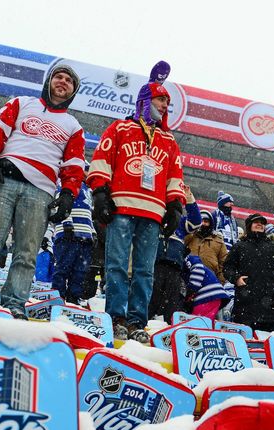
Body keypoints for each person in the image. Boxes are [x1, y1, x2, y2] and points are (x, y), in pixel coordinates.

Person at [0, 63, 85, 319]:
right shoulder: (21, 103)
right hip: (3, 180)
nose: (63, 82)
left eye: (69, 81)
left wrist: (68, 195)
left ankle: (14, 305)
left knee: (27, 254)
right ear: (49, 81)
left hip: (40, 191)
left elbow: (74, 165)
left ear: (73, 91)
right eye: (59, 77)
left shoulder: (73, 125)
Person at [87, 61, 185, 342]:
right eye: (160, 99)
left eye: (167, 101)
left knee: (145, 270)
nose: (165, 105)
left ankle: (137, 321)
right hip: (122, 207)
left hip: (153, 213)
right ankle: (116, 316)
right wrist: (101, 193)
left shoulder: (169, 141)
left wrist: (175, 206)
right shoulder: (120, 129)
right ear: (145, 100)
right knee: (116, 264)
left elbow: (174, 175)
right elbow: (102, 160)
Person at [149, 184, 201, 323]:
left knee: (171, 303)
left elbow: (196, 221)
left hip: (175, 267)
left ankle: (166, 329)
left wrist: (189, 198)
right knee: (151, 299)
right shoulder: (153, 216)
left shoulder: (180, 221)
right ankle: (144, 324)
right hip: (155, 264)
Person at [223, 213, 274, 331]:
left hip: (268, 305)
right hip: (244, 304)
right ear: (249, 225)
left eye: (262, 223)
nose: (260, 225)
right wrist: (236, 278)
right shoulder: (239, 246)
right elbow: (227, 267)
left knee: (266, 341)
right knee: (244, 340)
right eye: (256, 222)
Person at [51, 178, 94, 304]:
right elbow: (61, 204)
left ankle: (73, 297)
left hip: (85, 235)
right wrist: (66, 221)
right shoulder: (66, 183)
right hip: (68, 234)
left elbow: (89, 213)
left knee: (80, 270)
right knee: (63, 267)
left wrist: (93, 232)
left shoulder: (87, 189)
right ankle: (57, 296)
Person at [184, 210, 227, 284]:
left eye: (206, 221)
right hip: (188, 277)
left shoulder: (219, 241)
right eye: (201, 221)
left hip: (210, 280)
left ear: (211, 224)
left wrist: (220, 282)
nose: (203, 223)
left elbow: (223, 264)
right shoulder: (190, 236)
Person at [184, 253, 230, 323]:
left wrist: (190, 292)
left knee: (198, 324)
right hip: (212, 295)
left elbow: (198, 269)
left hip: (206, 296)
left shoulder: (187, 259)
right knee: (204, 323)